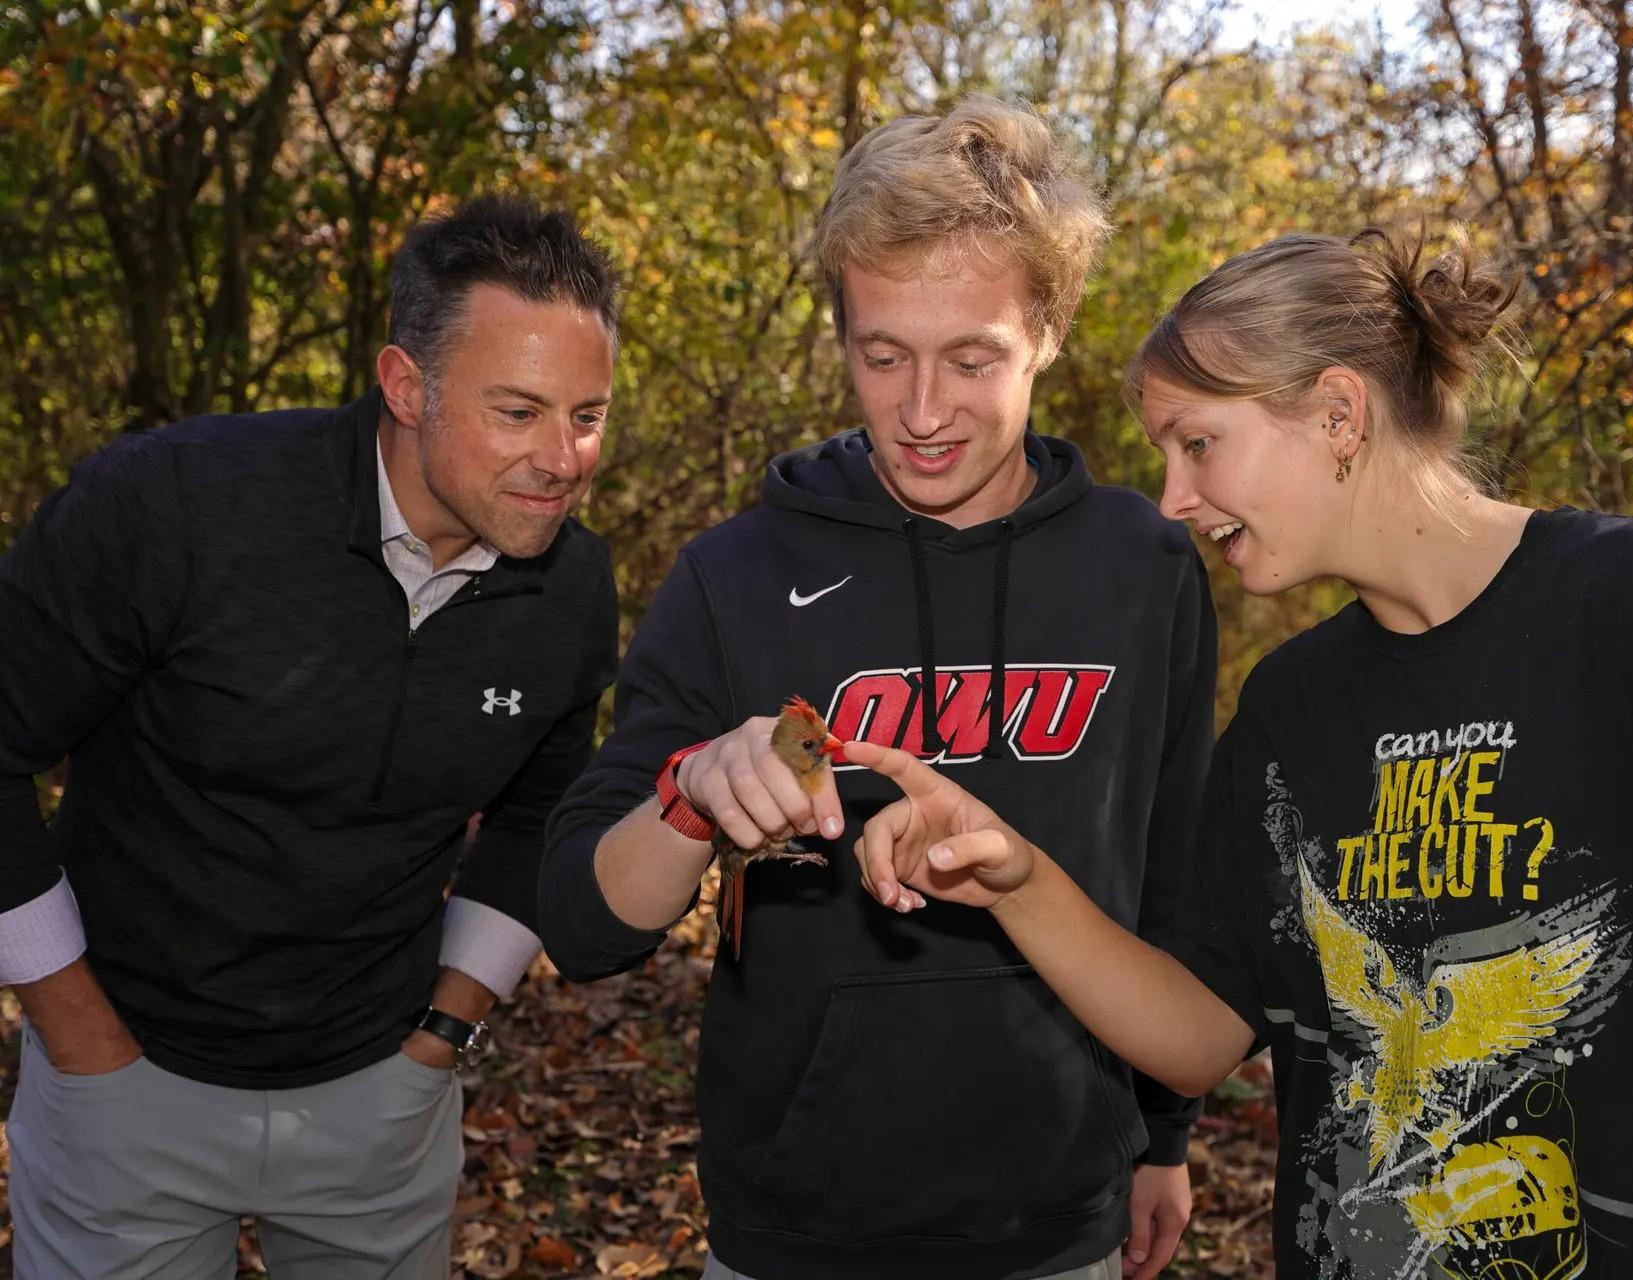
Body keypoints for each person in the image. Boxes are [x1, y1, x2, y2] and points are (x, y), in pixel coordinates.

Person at [843, 227, 1633, 1278]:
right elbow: (1200, 1033)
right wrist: (1016, 877)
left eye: (1197, 442)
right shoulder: (1291, 703)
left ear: (1339, 411)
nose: (1172, 498)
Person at [539, 95, 1215, 1280]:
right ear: (840, 331)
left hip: (1058, 1220)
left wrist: (1161, 1137)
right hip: (797, 1229)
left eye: (972, 357)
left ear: (1048, 331)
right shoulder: (735, 572)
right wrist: (694, 795)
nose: (922, 410)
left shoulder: (1144, 565)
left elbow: (1169, 872)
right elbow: (586, 925)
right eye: (882, 353)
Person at [0, 194, 621, 1279]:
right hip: (126, 1084)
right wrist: (76, 1028)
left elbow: (538, 812)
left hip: (380, 1103)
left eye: (588, 415)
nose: (562, 458)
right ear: (405, 385)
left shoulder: (571, 591)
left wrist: (445, 1031)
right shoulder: (173, 507)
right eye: (517, 411)